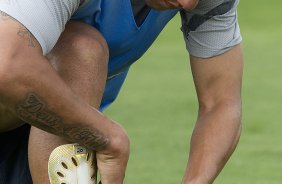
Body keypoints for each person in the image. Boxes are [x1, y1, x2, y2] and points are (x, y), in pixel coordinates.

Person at [0, 0, 243, 183]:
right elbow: (6, 65)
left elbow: (221, 103)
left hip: (49, 130)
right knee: (81, 48)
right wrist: (108, 138)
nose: (188, 3)